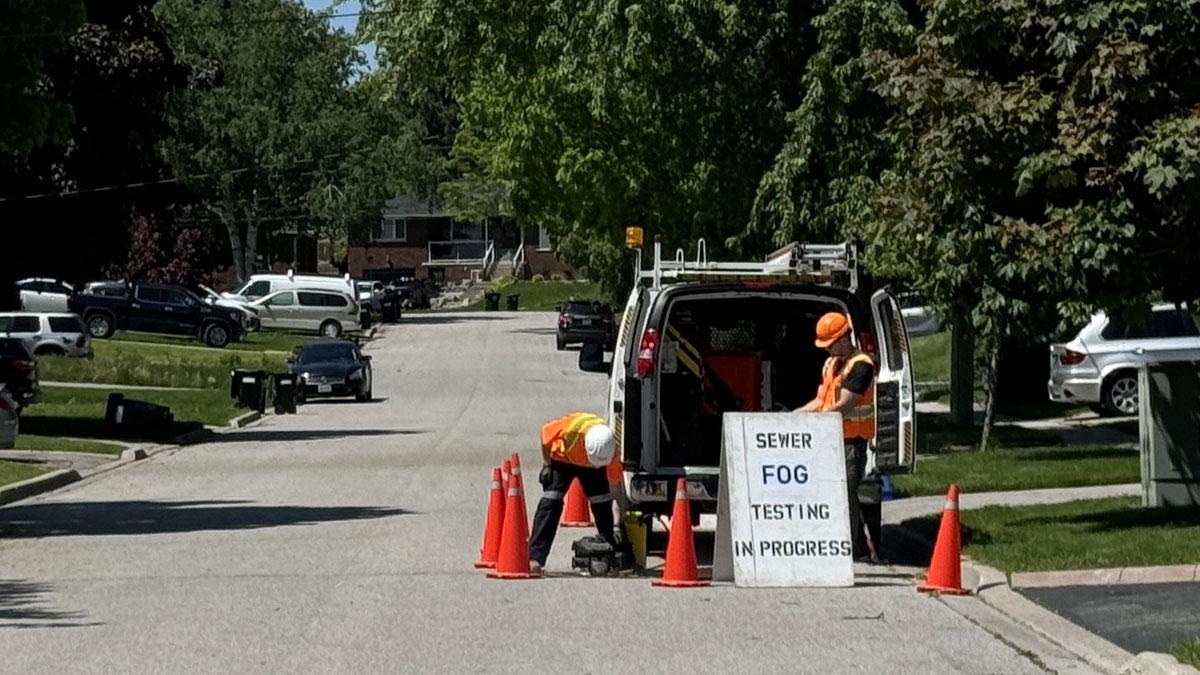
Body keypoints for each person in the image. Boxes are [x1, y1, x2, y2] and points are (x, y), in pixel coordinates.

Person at [796, 311, 877, 562]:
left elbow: (847, 404)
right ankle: (856, 547)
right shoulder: (831, 365)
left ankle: (854, 550)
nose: (828, 351)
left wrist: (820, 420)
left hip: (852, 443)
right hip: (830, 440)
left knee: (846, 493)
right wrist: (794, 416)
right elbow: (821, 400)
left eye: (830, 345)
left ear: (844, 338)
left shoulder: (862, 365)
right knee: (834, 493)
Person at [528, 412, 625, 575]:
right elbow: (545, 434)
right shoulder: (572, 432)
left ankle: (608, 554)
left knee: (602, 502)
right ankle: (535, 558)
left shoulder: (611, 453)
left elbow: (616, 492)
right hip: (563, 458)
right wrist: (547, 465)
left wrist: (616, 526)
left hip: (593, 464)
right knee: (550, 501)